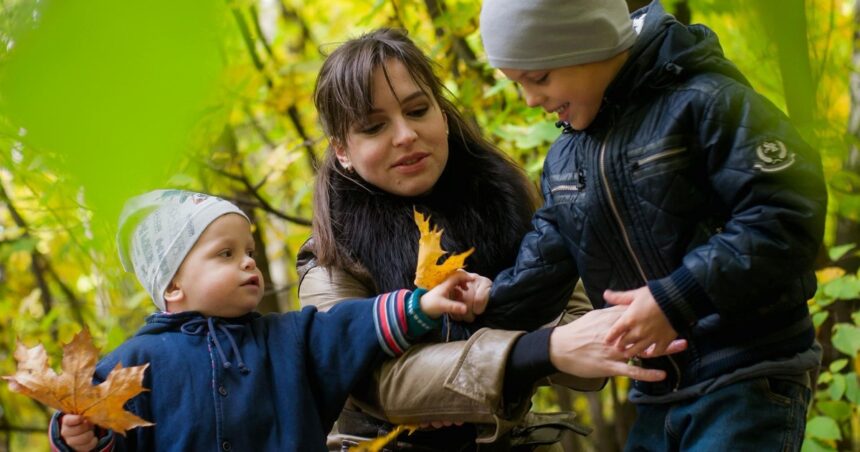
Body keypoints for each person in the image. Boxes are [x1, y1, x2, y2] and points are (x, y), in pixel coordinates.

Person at [301, 28, 685, 450]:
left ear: (442, 115)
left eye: (417, 110)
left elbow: (583, 341)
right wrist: (542, 350)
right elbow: (383, 385)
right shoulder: (331, 255)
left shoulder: (505, 202)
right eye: (374, 127)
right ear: (342, 150)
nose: (405, 135)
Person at [476, 0, 828, 450]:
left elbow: (786, 213)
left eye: (539, 77)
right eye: (517, 84)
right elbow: (544, 263)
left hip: (745, 374)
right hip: (657, 390)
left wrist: (676, 298)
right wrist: (486, 303)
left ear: (591, 41)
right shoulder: (566, 159)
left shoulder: (704, 101)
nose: (530, 99)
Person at [47, 189, 474, 451]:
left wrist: (421, 305)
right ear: (173, 286)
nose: (249, 263)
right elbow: (94, 421)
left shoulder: (288, 337)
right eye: (225, 254)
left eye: (249, 251)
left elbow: (350, 326)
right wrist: (77, 438)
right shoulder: (135, 363)